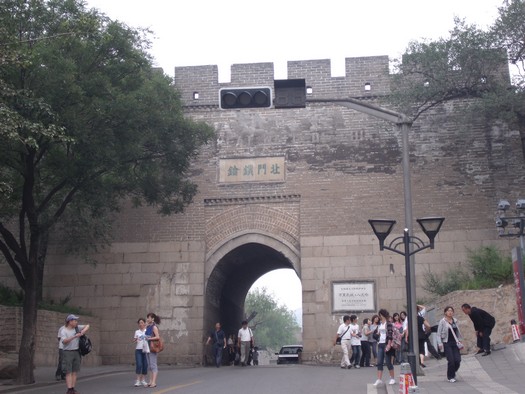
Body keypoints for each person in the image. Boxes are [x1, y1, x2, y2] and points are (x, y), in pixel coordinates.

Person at [60, 314, 90, 394]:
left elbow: (87, 326)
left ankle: (73, 388)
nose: (76, 322)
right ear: (70, 322)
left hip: (76, 352)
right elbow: (64, 341)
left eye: (76, 320)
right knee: (68, 372)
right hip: (68, 352)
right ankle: (69, 389)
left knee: (74, 371)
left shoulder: (77, 328)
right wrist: (74, 336)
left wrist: (83, 331)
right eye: (75, 320)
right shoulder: (64, 330)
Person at [437, 306, 463, 383]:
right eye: (448, 311)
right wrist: (439, 343)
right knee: (451, 360)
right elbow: (438, 334)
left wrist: (460, 340)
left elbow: (457, 332)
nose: (450, 312)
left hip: (455, 343)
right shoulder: (442, 321)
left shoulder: (455, 321)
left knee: (457, 360)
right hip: (447, 343)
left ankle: (452, 372)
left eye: (451, 311)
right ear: (445, 312)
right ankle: (450, 376)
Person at [372, 309, 396, 387]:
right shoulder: (380, 325)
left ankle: (392, 378)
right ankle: (379, 379)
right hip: (380, 344)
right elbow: (377, 334)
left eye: (379, 315)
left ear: (381, 315)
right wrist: (377, 336)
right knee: (379, 362)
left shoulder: (388, 323)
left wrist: (388, 345)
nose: (378, 317)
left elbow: (389, 335)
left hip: (386, 345)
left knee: (388, 362)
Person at [145, 312, 161, 387]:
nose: (147, 319)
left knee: (153, 365)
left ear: (152, 319)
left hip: (152, 347)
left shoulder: (154, 327)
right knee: (149, 365)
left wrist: (149, 338)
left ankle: (154, 382)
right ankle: (150, 381)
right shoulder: (148, 327)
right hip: (147, 347)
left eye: (149, 318)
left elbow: (158, 337)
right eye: (147, 317)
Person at [133, 318, 149, 387]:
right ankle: (138, 380)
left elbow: (150, 338)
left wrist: (146, 337)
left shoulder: (147, 331)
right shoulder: (137, 332)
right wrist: (136, 339)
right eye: (139, 323)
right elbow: (134, 340)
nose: (140, 324)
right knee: (139, 364)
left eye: (142, 322)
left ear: (144, 323)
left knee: (145, 365)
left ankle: (143, 380)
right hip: (138, 350)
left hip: (145, 350)